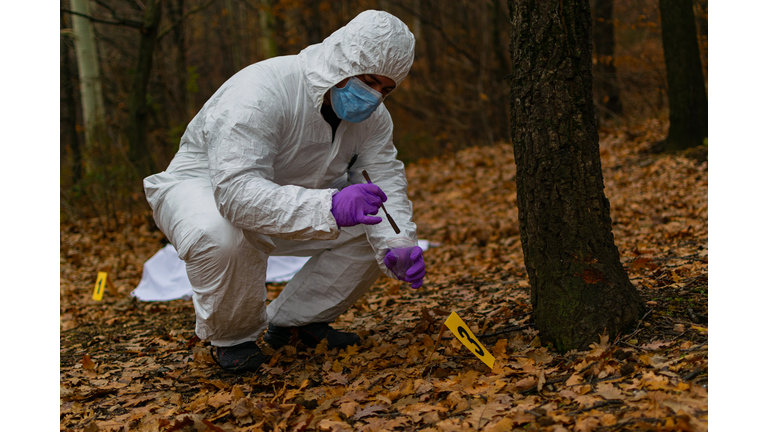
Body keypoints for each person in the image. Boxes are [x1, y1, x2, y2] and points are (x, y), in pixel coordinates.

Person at [143, 10, 425, 373]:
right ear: (342, 60)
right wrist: (329, 206)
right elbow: (236, 192)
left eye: (386, 90)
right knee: (223, 236)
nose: (373, 97)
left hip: (299, 197)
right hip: (203, 190)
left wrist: (399, 244)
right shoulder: (262, 90)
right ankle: (234, 338)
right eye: (369, 80)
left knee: (373, 229)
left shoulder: (373, 120)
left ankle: (297, 323)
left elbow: (383, 178)